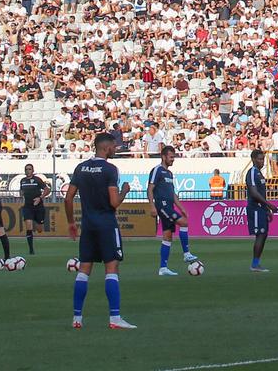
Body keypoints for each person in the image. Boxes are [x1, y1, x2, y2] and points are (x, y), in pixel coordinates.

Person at [64, 132, 136, 329]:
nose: (115, 149)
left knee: (84, 270)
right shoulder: (110, 169)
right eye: (114, 146)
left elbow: (68, 198)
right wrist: (124, 191)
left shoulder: (80, 168)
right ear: (105, 147)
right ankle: (115, 318)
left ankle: (77, 318)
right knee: (111, 268)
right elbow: (114, 202)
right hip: (106, 224)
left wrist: (71, 223)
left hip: (87, 225)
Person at [148, 145, 198, 275]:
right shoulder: (157, 170)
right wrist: (152, 206)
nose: (173, 159)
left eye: (173, 157)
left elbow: (172, 194)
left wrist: (182, 208)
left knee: (167, 237)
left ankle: (163, 268)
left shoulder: (169, 173)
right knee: (184, 223)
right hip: (162, 205)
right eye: (171, 157)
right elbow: (150, 188)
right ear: (163, 157)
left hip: (169, 206)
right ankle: (186, 254)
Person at [245, 147, 273, 273]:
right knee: (260, 234)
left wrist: (266, 209)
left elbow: (261, 193)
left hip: (261, 208)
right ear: (253, 159)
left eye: (263, 159)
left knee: (263, 234)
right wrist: (269, 205)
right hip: (255, 208)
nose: (262, 161)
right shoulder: (252, 172)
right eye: (260, 159)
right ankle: (254, 265)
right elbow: (254, 192)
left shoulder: (259, 173)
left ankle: (256, 263)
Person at [18, 162, 48, 256]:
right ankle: (31, 249)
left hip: (38, 207)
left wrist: (40, 198)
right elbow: (21, 191)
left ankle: (38, 221)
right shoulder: (22, 181)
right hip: (28, 207)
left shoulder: (37, 180)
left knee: (39, 229)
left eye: (29, 169)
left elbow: (47, 189)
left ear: (33, 170)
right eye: (26, 169)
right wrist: (21, 195)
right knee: (29, 226)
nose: (28, 171)